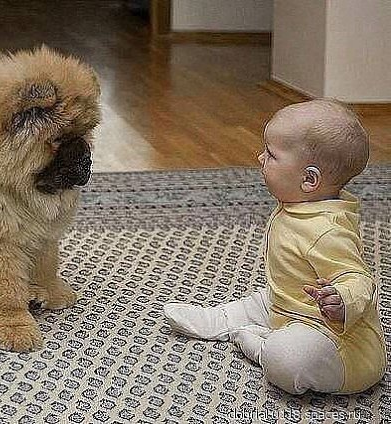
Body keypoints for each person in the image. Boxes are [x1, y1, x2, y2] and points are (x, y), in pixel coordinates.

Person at [164, 99, 386, 394]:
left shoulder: (329, 231)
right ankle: (219, 320)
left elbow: (359, 279)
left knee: (289, 359)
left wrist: (342, 300)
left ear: (309, 179)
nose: (260, 157)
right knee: (263, 300)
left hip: (340, 345)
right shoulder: (302, 203)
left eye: (271, 154)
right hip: (291, 305)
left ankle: (261, 348)